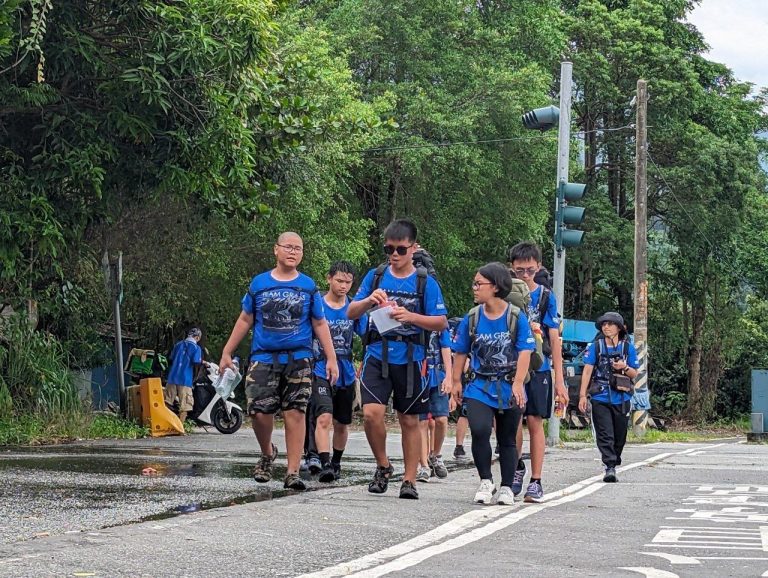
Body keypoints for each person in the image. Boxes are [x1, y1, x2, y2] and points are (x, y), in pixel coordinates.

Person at [219, 232, 339, 491]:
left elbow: (319, 322)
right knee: (259, 412)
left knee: (295, 412)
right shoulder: (260, 283)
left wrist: (331, 358)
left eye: (298, 248)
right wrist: (227, 352)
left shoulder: (308, 286)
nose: (293, 252)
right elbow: (245, 319)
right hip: (263, 357)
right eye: (288, 247)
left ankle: (292, 471)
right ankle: (267, 452)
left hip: (299, 357)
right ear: (276, 250)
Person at [347, 219, 448, 500]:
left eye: (400, 249)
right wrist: (369, 301)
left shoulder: (424, 281)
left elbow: (441, 322)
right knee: (371, 414)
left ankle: (409, 478)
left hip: (411, 359)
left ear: (413, 248)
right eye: (388, 248)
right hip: (377, 354)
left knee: (409, 420)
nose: (394, 254)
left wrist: (411, 317)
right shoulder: (376, 276)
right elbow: (351, 312)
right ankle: (383, 465)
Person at [451, 262, 534, 505]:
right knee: (479, 430)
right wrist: (455, 380)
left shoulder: (515, 317)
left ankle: (507, 487)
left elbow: (525, 351)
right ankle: (486, 481)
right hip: (479, 385)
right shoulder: (472, 317)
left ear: (495, 287)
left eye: (479, 284)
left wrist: (519, 383)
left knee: (507, 439)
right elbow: (460, 351)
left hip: (509, 385)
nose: (474, 288)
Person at [508, 242, 569, 503]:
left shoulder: (545, 296)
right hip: (510, 365)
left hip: (539, 366)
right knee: (511, 422)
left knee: (535, 421)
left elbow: (554, 339)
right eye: (519, 270)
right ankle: (516, 469)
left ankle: (536, 480)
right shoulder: (505, 293)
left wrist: (560, 380)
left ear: (539, 267)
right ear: (512, 267)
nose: (524, 275)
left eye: (530, 270)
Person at [310, 261, 368, 482]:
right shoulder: (318, 307)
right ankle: (324, 463)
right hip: (320, 368)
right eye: (339, 281)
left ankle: (336, 462)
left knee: (342, 422)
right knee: (323, 416)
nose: (343, 286)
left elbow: (366, 336)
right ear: (329, 279)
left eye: (348, 282)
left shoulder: (354, 308)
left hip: (345, 370)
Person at [578, 312, 639, 482]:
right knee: (605, 434)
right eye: (604, 324)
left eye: (610, 324)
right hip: (600, 397)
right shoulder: (595, 347)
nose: (606, 327)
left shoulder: (628, 348)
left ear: (619, 328)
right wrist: (583, 395)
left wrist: (624, 367)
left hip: (622, 398)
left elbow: (634, 373)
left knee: (620, 435)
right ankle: (609, 466)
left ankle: (614, 458)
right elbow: (588, 370)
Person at [417, 327, 453, 481]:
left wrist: (449, 376)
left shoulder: (440, 323)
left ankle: (435, 454)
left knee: (441, 419)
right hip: (418, 374)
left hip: (438, 375)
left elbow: (446, 347)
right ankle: (423, 465)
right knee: (421, 421)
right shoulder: (412, 316)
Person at [165, 327, 204, 423]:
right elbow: (196, 361)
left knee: (167, 402)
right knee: (185, 404)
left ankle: (166, 423)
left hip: (172, 377)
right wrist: (204, 362)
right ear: (197, 337)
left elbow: (171, 358)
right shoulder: (196, 348)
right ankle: (180, 427)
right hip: (185, 379)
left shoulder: (178, 345)